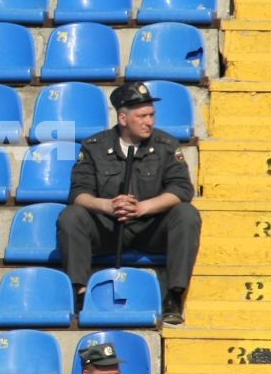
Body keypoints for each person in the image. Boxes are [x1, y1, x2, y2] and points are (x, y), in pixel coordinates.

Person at [57, 80, 201, 325]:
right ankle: (79, 294)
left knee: (187, 214)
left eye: (151, 115)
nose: (149, 122)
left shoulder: (166, 145)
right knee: (71, 216)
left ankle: (174, 296)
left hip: (150, 227)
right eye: (142, 116)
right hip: (108, 228)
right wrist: (107, 205)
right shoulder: (94, 147)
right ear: (123, 119)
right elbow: (78, 193)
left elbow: (181, 189)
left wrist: (143, 207)